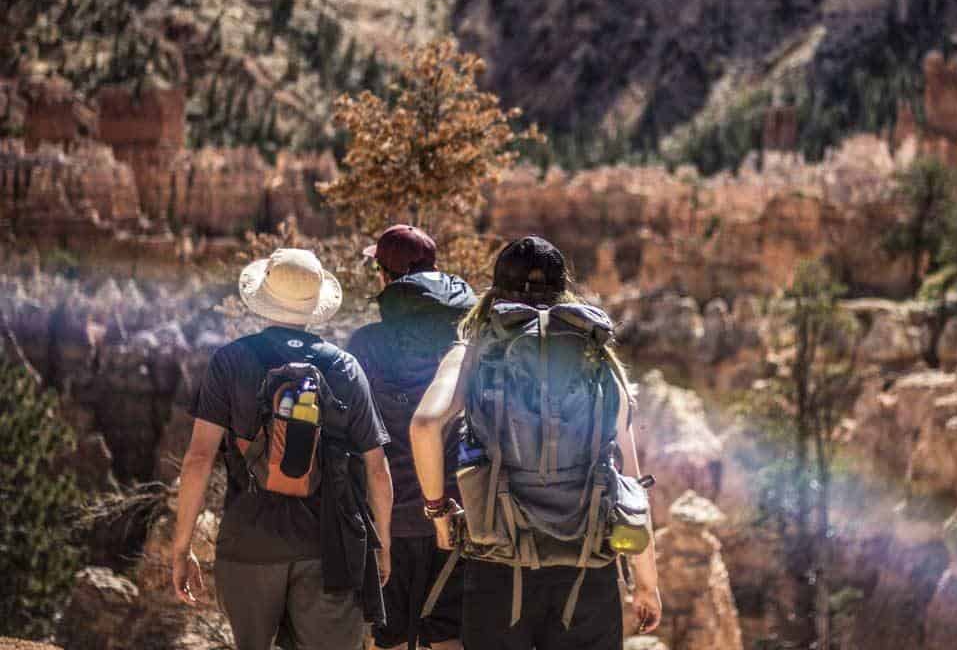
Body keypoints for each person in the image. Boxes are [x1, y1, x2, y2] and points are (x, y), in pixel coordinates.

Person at [410, 236, 662, 650]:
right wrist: (646, 582)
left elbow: (424, 425)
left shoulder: (473, 350)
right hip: (587, 565)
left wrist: (439, 515)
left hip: (499, 561)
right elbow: (630, 479)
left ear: (495, 290)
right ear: (564, 289)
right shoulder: (595, 355)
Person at [171, 248, 394, 650]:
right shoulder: (344, 367)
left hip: (248, 545)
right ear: (316, 305)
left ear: (264, 300)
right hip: (329, 552)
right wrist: (385, 546)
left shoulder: (230, 361)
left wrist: (182, 547)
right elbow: (377, 469)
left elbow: (199, 458)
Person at [348, 225, 477, 650]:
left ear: (386, 279)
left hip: (389, 521)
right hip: (455, 514)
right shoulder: (462, 342)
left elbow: (353, 439)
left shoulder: (364, 345)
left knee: (390, 637)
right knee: (449, 634)